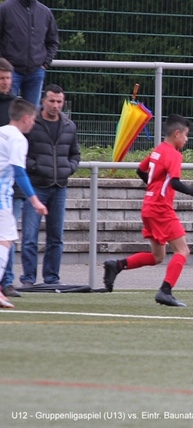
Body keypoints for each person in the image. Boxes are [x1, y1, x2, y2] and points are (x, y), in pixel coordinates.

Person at [102, 114, 193, 307]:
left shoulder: (158, 150)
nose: (187, 139)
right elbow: (174, 182)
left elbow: (140, 170)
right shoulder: (174, 154)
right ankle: (165, 291)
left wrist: (154, 187)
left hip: (148, 207)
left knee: (158, 256)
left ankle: (117, 265)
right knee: (183, 250)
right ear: (177, 134)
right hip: (161, 209)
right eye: (186, 135)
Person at [20, 84, 80, 287]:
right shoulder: (31, 123)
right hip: (36, 186)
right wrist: (34, 167)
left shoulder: (69, 125)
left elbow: (75, 153)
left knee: (56, 237)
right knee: (30, 236)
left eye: (59, 101)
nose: (55, 105)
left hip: (59, 186)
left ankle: (52, 278)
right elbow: (22, 151)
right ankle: (28, 279)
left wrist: (68, 168)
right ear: (43, 101)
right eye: (52, 101)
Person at [0, 98, 47, 308]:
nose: (33, 124)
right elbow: (19, 172)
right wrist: (35, 201)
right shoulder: (18, 139)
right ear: (26, 118)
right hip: (1, 198)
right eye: (34, 119)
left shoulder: (1, 132)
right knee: (5, 240)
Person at [0, 0, 59, 107]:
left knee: (32, 114)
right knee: (6, 110)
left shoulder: (45, 12)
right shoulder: (5, 9)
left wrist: (45, 63)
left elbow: (53, 41)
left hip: (36, 72)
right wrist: (3, 66)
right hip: (10, 72)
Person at [0, 58, 24, 297]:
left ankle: (6, 282)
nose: (6, 82)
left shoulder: (15, 105)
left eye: (8, 78)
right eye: (2, 78)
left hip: (9, 186)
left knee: (7, 236)